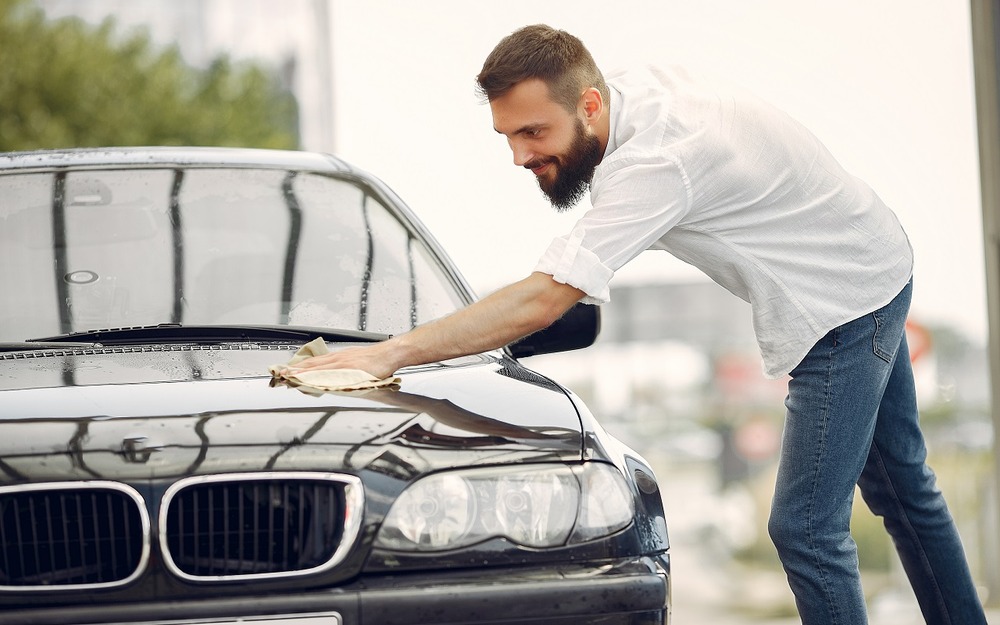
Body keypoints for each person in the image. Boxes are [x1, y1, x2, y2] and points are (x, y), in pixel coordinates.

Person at [289, 24, 987, 624]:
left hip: (845, 298)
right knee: (904, 488)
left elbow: (544, 298)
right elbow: (556, 279)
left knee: (804, 526)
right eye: (507, 135)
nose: (520, 156)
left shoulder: (657, 161)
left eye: (534, 132)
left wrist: (391, 353)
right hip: (874, 253)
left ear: (588, 105)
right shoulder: (620, 101)